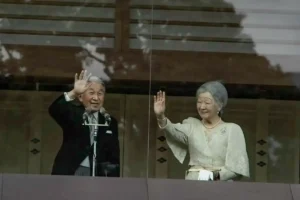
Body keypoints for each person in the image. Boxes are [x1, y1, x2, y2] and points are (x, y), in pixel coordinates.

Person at [153, 81, 249, 181]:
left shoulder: (232, 129)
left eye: (207, 103)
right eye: (199, 102)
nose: (202, 107)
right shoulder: (192, 125)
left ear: (219, 106)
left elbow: (237, 167)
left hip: (221, 187)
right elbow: (172, 130)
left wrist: (213, 177)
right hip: (193, 184)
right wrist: (160, 116)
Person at [49, 70, 120, 177]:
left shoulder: (109, 121)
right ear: (81, 97)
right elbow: (55, 109)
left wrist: (113, 179)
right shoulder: (73, 113)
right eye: (91, 93)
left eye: (100, 93)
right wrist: (74, 92)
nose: (96, 98)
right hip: (70, 170)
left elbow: (113, 154)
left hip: (97, 172)